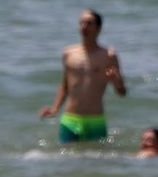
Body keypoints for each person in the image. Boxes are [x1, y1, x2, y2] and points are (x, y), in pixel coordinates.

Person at [39, 9, 127, 143]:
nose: (84, 26)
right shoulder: (69, 53)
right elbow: (65, 86)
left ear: (99, 28)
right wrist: (54, 109)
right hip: (70, 119)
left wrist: (117, 82)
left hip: (95, 119)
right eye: (82, 23)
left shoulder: (109, 56)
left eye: (89, 23)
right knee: (66, 159)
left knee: (97, 161)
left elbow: (122, 93)